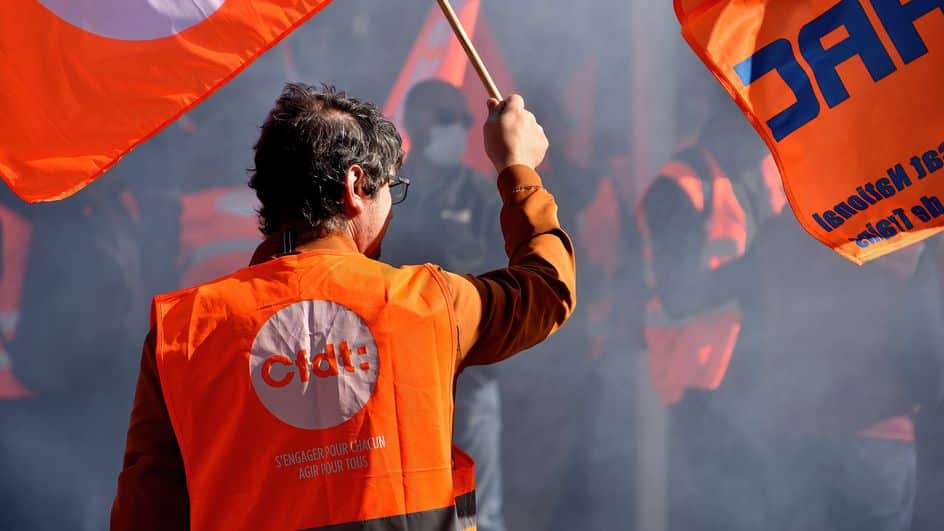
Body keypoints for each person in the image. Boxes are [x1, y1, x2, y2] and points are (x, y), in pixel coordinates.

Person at [111, 83, 575, 530]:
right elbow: (547, 289)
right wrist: (518, 169)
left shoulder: (186, 330)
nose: (392, 210)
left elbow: (145, 511)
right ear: (357, 185)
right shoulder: (427, 302)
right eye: (391, 189)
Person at [383, 79, 507, 531]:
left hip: (467, 374)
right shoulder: (389, 193)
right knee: (409, 505)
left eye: (462, 121)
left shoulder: (480, 193)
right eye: (446, 119)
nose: (458, 129)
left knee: (476, 512)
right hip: (401, 377)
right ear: (417, 123)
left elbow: (506, 278)